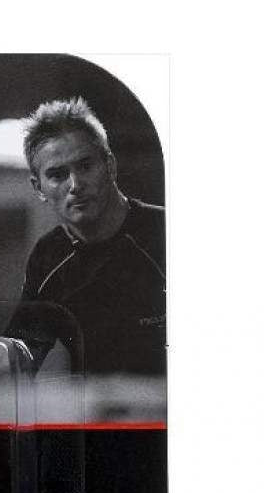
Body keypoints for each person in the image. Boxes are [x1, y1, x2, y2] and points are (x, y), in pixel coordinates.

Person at [14, 97, 165, 375]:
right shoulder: (48, 257)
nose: (75, 185)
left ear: (110, 166)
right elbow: (20, 357)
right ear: (38, 188)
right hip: (95, 403)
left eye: (85, 166)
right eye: (58, 175)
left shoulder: (165, 231)